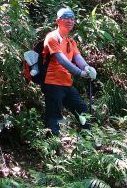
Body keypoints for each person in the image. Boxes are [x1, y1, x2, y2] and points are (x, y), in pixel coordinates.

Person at [42, 7, 97, 136]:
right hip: (52, 83)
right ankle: (54, 151)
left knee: (82, 110)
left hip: (66, 83)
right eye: (66, 18)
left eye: (72, 18)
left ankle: (88, 142)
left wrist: (87, 68)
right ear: (58, 21)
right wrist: (80, 73)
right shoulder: (52, 37)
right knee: (54, 117)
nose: (70, 21)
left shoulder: (70, 41)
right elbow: (62, 60)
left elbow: (78, 58)